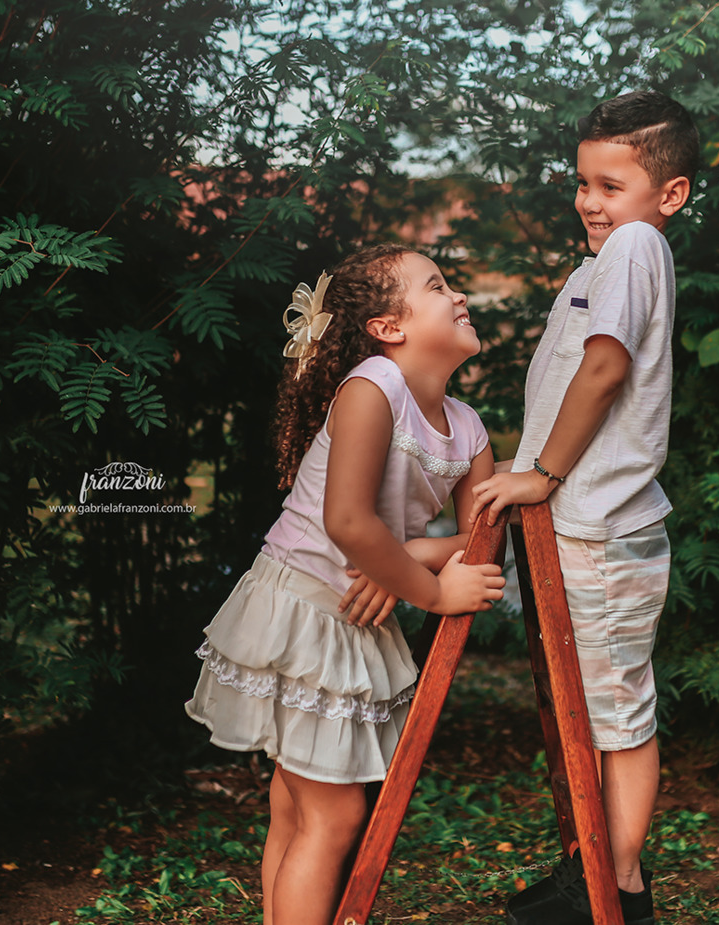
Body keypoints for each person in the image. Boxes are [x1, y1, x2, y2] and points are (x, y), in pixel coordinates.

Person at [186, 243, 507, 925]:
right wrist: (432, 587)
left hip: (353, 615)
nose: (460, 296)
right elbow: (348, 522)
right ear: (388, 327)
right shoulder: (374, 385)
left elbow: (484, 537)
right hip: (301, 604)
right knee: (332, 815)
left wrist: (406, 555)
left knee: (298, 807)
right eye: (438, 284)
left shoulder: (471, 430)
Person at [470, 90, 700, 925]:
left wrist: (543, 472)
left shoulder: (637, 246)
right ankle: (595, 871)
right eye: (582, 183)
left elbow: (603, 369)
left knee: (619, 715)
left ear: (668, 195)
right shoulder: (601, 263)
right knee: (589, 710)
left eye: (611, 184)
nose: (590, 202)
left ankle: (619, 890)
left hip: (603, 528)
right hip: (578, 528)